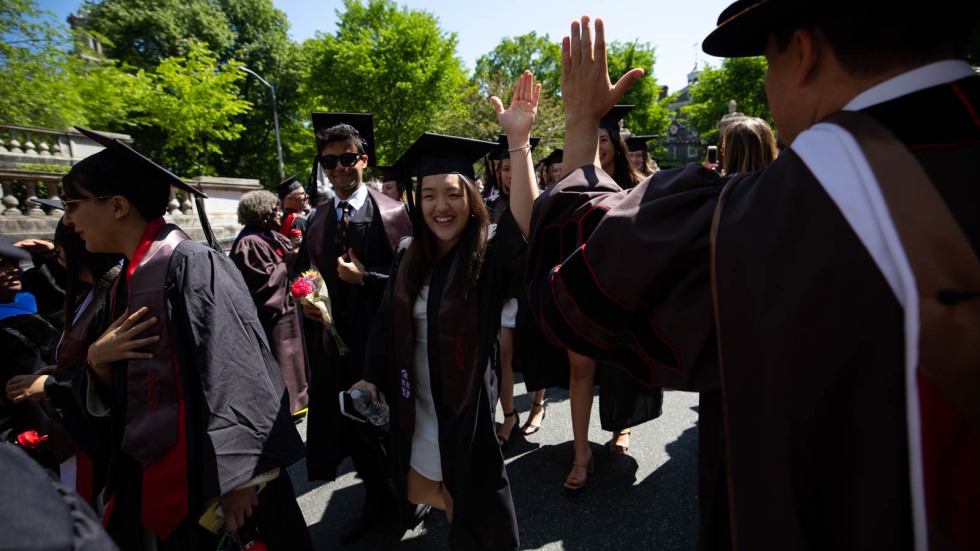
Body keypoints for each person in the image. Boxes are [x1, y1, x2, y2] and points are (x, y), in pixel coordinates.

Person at [527, 7, 980, 548]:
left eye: (768, 61)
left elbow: (586, 281)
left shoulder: (771, 219)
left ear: (804, 53)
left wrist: (580, 121)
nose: (766, 85)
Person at [42, 127, 312, 550]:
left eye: (72, 204)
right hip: (161, 472)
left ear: (117, 206)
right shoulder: (122, 284)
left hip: (219, 481)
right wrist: (96, 362)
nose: (67, 219)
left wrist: (242, 477)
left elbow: (239, 369)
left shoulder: (193, 265)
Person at [350, 75, 540, 545]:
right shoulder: (408, 252)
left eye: (453, 193)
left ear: (472, 196)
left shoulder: (487, 252)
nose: (441, 205)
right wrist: (370, 376)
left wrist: (519, 143)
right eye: (429, 194)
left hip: (464, 401)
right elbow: (384, 325)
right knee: (423, 486)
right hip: (412, 395)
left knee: (471, 502)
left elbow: (525, 227)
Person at [298, 112, 414, 544]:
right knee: (354, 428)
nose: (340, 169)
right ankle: (376, 500)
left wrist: (365, 279)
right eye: (330, 163)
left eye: (348, 159)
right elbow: (306, 272)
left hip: (382, 344)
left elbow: (414, 278)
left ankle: (407, 496)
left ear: (364, 160)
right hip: (336, 345)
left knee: (391, 424)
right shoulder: (317, 219)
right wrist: (307, 299)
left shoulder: (396, 213)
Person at [230, 190, 309, 418]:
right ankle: (288, 405)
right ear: (263, 215)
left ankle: (301, 399)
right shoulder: (248, 242)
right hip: (273, 315)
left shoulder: (272, 236)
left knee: (296, 357)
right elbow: (261, 283)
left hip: (290, 308)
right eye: (275, 210)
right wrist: (288, 261)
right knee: (283, 357)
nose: (279, 214)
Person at [598, 105, 644, 189]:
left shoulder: (638, 187)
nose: (597, 146)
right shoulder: (580, 185)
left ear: (616, 145)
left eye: (603, 140)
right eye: (593, 141)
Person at [275, 173, 308, 251]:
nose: (306, 196)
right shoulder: (299, 221)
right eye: (302, 194)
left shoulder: (278, 221)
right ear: (290, 199)